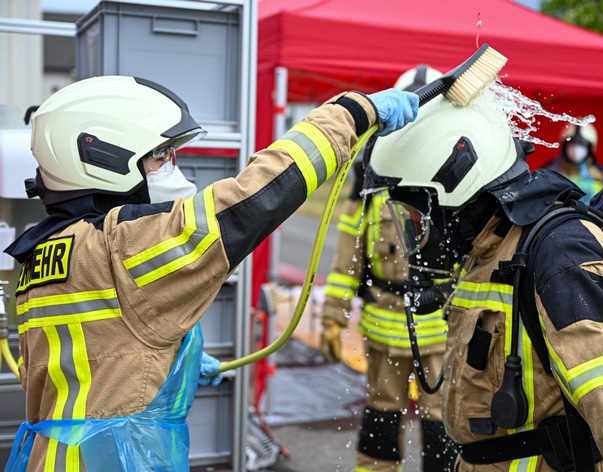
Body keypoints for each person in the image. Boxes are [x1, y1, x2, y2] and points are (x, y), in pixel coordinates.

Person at [2, 75, 418, 471]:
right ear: (103, 159)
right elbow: (255, 198)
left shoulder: (47, 249)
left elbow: (93, 351)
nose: (171, 165)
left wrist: (173, 362)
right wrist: (351, 113)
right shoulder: (122, 244)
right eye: (160, 155)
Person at [363, 86, 603, 470]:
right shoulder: (490, 248)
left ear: (455, 189)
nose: (415, 239)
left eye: (417, 219)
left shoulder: (561, 257)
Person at [320, 62, 458, 472]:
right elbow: (347, 258)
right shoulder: (369, 178)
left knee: (443, 423)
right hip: (384, 324)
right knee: (382, 416)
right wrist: (332, 316)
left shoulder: (455, 178)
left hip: (442, 330)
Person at [544, 123, 603, 204]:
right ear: (564, 145)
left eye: (582, 144)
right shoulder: (549, 171)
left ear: (590, 148)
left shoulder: (602, 175)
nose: (575, 150)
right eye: (572, 143)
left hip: (590, 216)